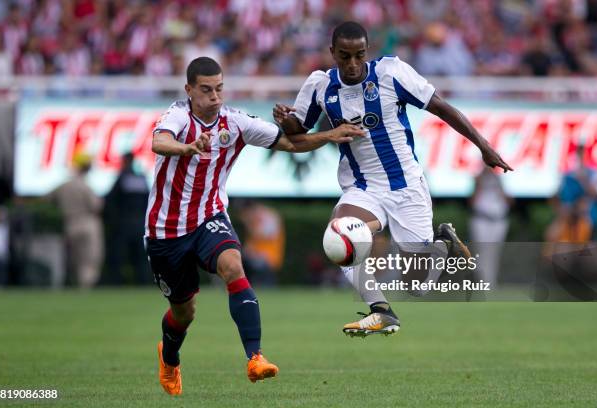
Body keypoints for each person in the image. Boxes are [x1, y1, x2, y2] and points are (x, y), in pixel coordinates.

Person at [274, 21, 512, 337]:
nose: (353, 64)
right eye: (345, 56)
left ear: (367, 50)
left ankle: (442, 244)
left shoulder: (391, 72)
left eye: (359, 55)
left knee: (417, 286)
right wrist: (287, 120)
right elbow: (297, 134)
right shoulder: (319, 85)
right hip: (362, 187)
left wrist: (483, 146)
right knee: (340, 239)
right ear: (332, 53)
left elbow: (440, 107)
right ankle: (382, 312)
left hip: (407, 187)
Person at [145, 56, 364, 395]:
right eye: (206, 90)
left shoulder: (235, 122)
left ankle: (255, 357)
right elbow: (158, 142)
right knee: (184, 312)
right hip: (165, 231)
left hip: (209, 217)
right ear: (189, 90)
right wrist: (187, 148)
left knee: (233, 266)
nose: (215, 97)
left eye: (219, 89)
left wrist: (331, 134)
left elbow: (291, 144)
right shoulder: (177, 116)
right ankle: (169, 358)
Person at [48, 153, 104, 288]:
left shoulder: (63, 185)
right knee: (90, 259)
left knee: (75, 260)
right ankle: (85, 288)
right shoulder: (85, 185)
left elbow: (48, 199)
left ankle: (75, 285)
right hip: (88, 223)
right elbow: (97, 206)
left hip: (70, 223)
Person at [104, 153, 150, 285]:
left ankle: (117, 282)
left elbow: (110, 201)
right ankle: (143, 282)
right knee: (141, 257)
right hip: (141, 223)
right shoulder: (142, 178)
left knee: (118, 255)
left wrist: (113, 221)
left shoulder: (122, 178)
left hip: (124, 224)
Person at [469, 167, 513, 289]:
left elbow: (509, 201)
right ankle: (481, 282)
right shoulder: (478, 179)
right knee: (481, 251)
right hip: (481, 219)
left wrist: (500, 184)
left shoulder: (501, 179)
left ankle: (491, 281)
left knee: (494, 252)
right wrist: (478, 183)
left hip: (498, 220)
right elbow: (472, 201)